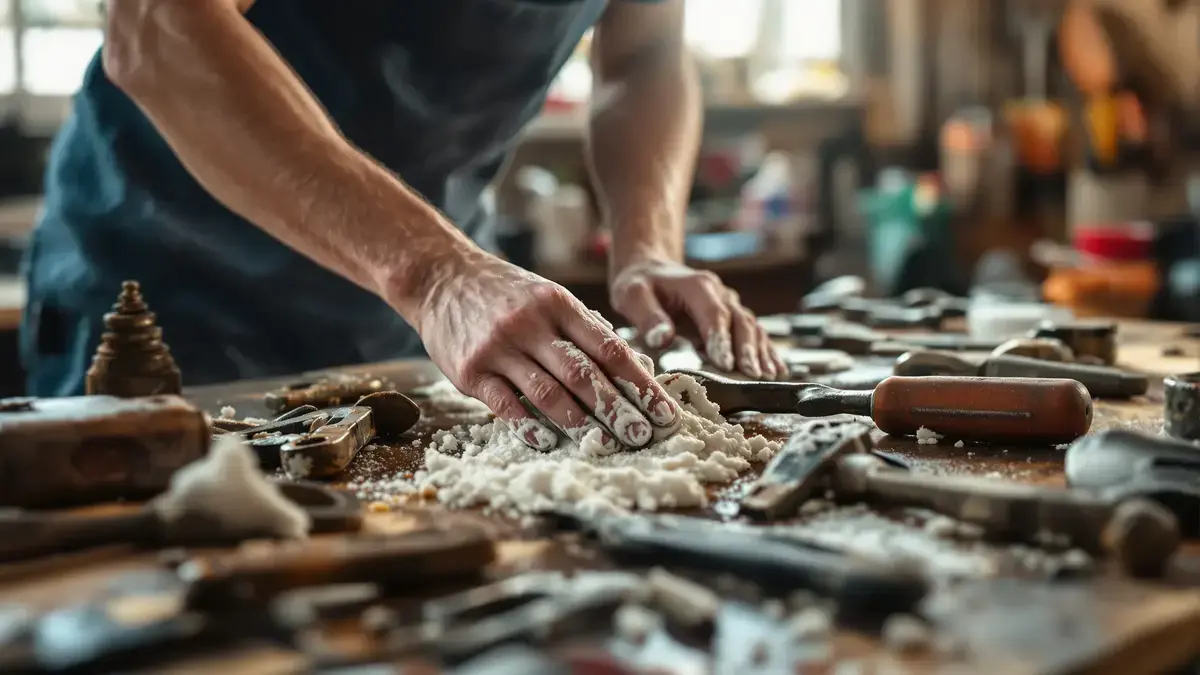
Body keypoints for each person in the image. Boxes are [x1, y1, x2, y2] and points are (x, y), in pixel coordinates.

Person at [21, 0, 785, 452]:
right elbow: (158, 29)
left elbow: (645, 52)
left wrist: (646, 245)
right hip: (169, 288)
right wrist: (437, 272)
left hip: (410, 314)